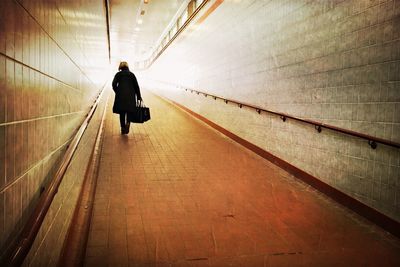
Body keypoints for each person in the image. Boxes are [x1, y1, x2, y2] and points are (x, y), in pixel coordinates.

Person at [112, 61, 142, 134]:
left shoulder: (118, 74)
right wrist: (139, 97)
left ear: (120, 67)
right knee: (129, 111)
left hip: (121, 97)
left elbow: (113, 84)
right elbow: (136, 86)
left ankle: (122, 128)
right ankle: (128, 123)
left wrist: (117, 91)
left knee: (122, 112)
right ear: (127, 66)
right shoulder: (132, 75)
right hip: (130, 97)